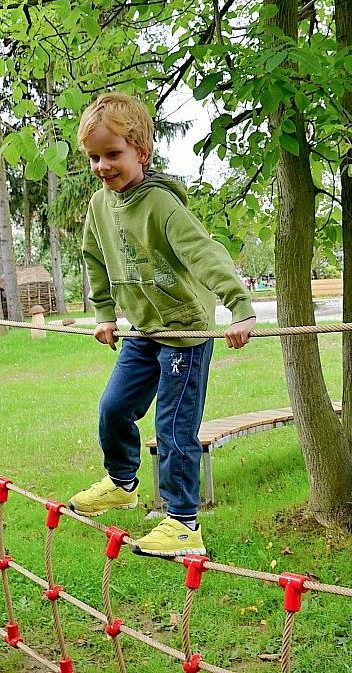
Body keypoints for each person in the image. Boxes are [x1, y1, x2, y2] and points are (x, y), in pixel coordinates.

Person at [68, 92, 256, 558]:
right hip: (144, 331)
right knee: (114, 408)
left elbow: (204, 253)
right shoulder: (99, 206)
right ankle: (122, 482)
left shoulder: (161, 205)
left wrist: (239, 306)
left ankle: (183, 524)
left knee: (173, 428)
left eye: (113, 154)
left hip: (186, 334)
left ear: (141, 153)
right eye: (94, 156)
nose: (103, 166)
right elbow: (94, 258)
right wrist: (105, 315)